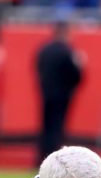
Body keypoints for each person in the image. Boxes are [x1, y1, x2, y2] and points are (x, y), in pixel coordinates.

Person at [35, 21, 83, 165]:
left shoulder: (44, 50)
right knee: (57, 127)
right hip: (62, 95)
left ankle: (41, 159)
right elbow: (76, 75)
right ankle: (55, 161)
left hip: (46, 94)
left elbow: (38, 69)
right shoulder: (67, 52)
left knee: (45, 127)